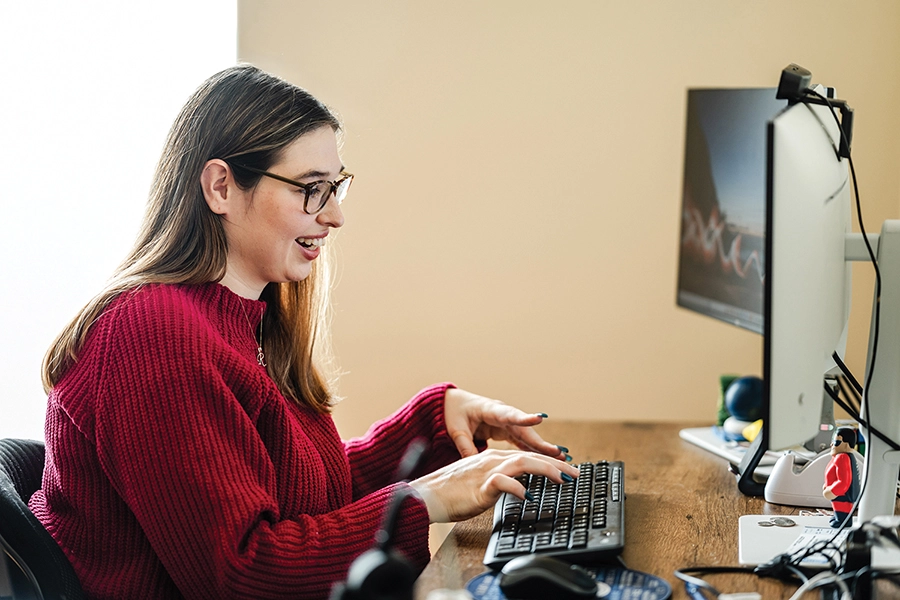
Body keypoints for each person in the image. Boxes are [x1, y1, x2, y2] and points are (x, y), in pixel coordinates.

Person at [28, 64, 578, 599]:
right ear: (221, 186)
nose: (335, 216)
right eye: (311, 189)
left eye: (336, 187)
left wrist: (434, 424)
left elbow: (303, 498)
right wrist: (422, 497)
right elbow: (244, 573)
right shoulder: (151, 337)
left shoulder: (237, 322)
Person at [822, 427, 860, 528]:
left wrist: (832, 491)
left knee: (842, 507)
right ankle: (839, 518)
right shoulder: (840, 457)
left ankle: (843, 520)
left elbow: (844, 482)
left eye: (836, 442)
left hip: (841, 495)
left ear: (846, 445)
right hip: (838, 495)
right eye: (832, 442)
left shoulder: (842, 457)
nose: (832, 445)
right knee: (838, 507)